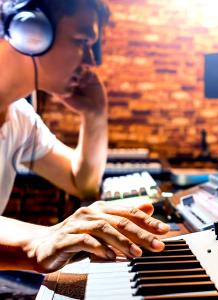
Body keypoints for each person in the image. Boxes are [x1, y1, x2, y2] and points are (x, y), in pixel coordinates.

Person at [0, 0, 169, 273]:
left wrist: (95, 115)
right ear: (29, 31)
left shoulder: (20, 117)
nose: (90, 60)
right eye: (81, 41)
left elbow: (82, 182)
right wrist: (37, 242)